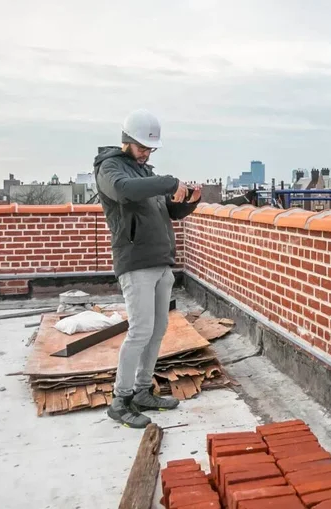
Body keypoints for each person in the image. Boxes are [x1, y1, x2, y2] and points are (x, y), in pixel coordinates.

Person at [93, 109, 201, 428]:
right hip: (136, 262)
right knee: (140, 331)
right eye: (142, 148)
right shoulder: (110, 168)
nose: (146, 154)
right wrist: (169, 182)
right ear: (126, 140)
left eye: (150, 149)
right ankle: (120, 399)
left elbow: (168, 211)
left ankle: (142, 391)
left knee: (157, 330)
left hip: (160, 262)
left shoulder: (144, 172)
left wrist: (189, 201)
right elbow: (124, 191)